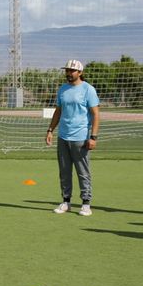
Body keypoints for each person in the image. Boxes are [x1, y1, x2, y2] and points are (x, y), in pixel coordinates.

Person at [45, 58, 100, 216]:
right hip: (63, 137)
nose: (68, 73)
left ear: (80, 72)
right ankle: (66, 201)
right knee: (64, 171)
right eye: (67, 70)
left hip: (81, 138)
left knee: (83, 172)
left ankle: (86, 203)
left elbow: (96, 114)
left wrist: (93, 137)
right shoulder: (62, 89)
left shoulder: (88, 89)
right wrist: (50, 130)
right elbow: (58, 111)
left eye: (72, 71)